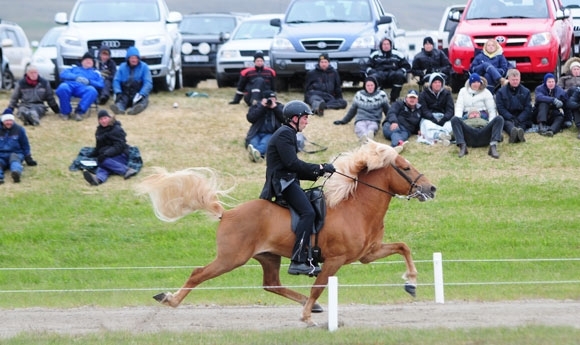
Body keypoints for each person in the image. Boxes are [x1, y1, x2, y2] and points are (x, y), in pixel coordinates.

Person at [259, 100, 335, 276]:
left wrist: (321, 172)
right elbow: (292, 164)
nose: (307, 122)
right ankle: (298, 260)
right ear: (295, 118)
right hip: (282, 183)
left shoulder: (288, 133)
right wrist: (320, 167)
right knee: (308, 212)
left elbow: (293, 168)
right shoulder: (285, 134)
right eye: (305, 118)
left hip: (288, 179)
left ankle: (310, 255)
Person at [451, 73, 504, 158]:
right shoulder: (463, 91)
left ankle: (493, 146)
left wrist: (490, 125)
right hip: (468, 126)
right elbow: (459, 107)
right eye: (474, 82)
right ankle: (462, 146)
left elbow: (491, 110)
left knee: (499, 119)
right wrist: (461, 122)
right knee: (454, 119)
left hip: (483, 126)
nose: (476, 84)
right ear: (470, 83)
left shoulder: (486, 92)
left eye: (478, 82)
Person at [82, 110, 138, 186]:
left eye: (105, 118)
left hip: (121, 154)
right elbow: (99, 146)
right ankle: (97, 180)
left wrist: (106, 154)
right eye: (101, 119)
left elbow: (119, 146)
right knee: (103, 163)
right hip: (109, 154)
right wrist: (92, 154)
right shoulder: (99, 131)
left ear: (109, 118)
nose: (103, 121)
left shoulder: (116, 129)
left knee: (103, 161)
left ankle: (126, 170)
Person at [333, 76, 389, 141]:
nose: (370, 87)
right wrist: (343, 121)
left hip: (374, 120)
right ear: (364, 86)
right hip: (361, 119)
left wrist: (392, 121)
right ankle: (364, 137)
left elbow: (387, 110)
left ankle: (369, 135)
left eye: (371, 85)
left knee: (373, 127)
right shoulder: (359, 95)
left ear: (375, 85)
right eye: (368, 85)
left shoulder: (381, 95)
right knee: (360, 127)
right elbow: (352, 110)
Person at [55, 52, 104, 121]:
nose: (88, 61)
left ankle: (79, 112)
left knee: (92, 91)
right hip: (70, 85)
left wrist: (90, 82)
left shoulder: (95, 73)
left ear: (93, 63)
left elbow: (101, 84)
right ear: (82, 62)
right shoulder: (74, 68)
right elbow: (63, 74)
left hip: (84, 87)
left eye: (90, 60)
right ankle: (65, 112)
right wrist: (75, 77)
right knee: (63, 88)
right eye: (86, 60)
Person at [365, 37, 411, 103]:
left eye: (387, 44)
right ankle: (378, 98)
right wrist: (372, 72)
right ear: (381, 45)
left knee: (399, 75)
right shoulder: (374, 55)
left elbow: (406, 66)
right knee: (374, 77)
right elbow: (367, 66)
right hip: (379, 75)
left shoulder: (398, 54)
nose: (386, 46)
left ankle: (394, 98)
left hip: (393, 74)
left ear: (391, 45)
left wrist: (401, 71)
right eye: (384, 44)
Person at [110, 46, 153, 116]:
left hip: (138, 92)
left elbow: (148, 83)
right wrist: (117, 91)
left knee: (141, 101)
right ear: (128, 58)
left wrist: (141, 93)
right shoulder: (122, 67)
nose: (134, 60)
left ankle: (136, 109)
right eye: (132, 58)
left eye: (136, 58)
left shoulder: (144, 67)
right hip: (125, 92)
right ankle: (119, 108)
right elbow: (116, 80)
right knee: (121, 101)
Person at [245, 90, 284, 162]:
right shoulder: (257, 106)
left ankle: (257, 154)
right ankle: (257, 154)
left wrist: (275, 108)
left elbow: (285, 119)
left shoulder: (279, 107)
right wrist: (262, 107)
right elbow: (250, 118)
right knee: (253, 143)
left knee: (265, 143)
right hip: (256, 133)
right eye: (269, 98)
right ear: (263, 99)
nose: (271, 100)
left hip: (271, 133)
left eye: (273, 98)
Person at [495, 68, 532, 144]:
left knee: (523, 124)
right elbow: (500, 107)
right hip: (508, 117)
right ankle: (513, 133)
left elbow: (528, 108)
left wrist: (520, 118)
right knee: (507, 124)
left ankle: (519, 134)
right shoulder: (500, 92)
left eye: (517, 80)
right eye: (513, 80)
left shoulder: (526, 91)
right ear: (508, 79)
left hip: (521, 117)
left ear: (520, 78)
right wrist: (510, 117)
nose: (515, 81)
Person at [418, 72, 454, 145]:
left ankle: (443, 138)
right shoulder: (423, 94)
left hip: (443, 117)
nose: (437, 84)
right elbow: (424, 110)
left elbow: (450, 109)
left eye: (439, 82)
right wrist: (432, 119)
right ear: (431, 83)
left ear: (442, 83)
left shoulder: (447, 94)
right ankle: (440, 136)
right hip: (429, 118)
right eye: (435, 82)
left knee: (449, 126)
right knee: (428, 126)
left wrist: (444, 119)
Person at [0, 113, 37, 184]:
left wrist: (28, 157)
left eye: (10, 121)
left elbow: (25, 144)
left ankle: (16, 173)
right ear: (2, 122)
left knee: (15, 161)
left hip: (16, 153)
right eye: (6, 121)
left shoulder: (19, 130)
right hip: (1, 155)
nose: (8, 123)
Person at [533, 73, 566, 137]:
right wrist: (553, 100)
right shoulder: (539, 88)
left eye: (552, 81)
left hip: (552, 113)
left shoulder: (560, 90)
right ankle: (541, 127)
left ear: (555, 82)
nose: (551, 83)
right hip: (538, 114)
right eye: (549, 82)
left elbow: (566, 102)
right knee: (543, 103)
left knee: (560, 117)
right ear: (545, 82)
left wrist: (568, 119)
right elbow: (539, 97)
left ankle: (551, 131)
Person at [557, 57, 580, 128]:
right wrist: (569, 90)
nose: (576, 71)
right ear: (571, 70)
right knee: (573, 89)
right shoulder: (564, 78)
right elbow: (558, 89)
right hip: (568, 96)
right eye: (574, 69)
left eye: (578, 69)